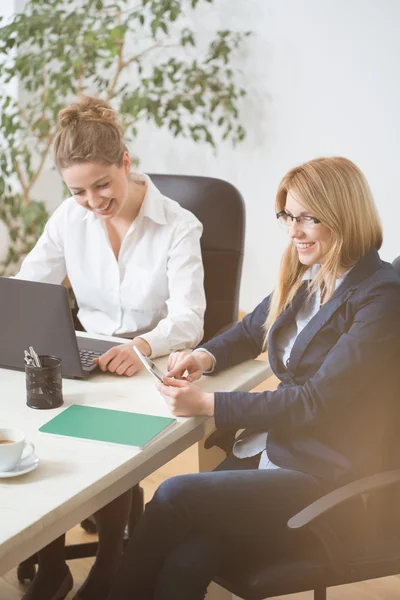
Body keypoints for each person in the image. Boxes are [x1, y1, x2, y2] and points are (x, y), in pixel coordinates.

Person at [107, 156, 400, 600]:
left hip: (319, 474)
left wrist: (208, 405)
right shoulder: (312, 272)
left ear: (344, 215)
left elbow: (312, 403)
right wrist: (203, 357)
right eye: (288, 216)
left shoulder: (380, 297)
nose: (293, 231)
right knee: (189, 558)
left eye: (307, 218)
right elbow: (250, 331)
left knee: (172, 495)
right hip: (269, 448)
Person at [15, 96, 206, 600]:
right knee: (38, 423)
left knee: (109, 444)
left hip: (150, 365)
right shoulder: (68, 218)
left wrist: (143, 342)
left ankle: (111, 562)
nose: (94, 201)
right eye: (79, 191)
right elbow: (29, 287)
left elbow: (189, 318)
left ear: (126, 162)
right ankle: (53, 566)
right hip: (84, 354)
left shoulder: (178, 225)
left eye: (103, 184)